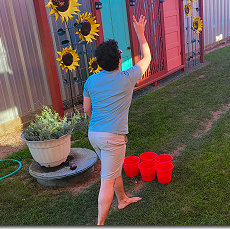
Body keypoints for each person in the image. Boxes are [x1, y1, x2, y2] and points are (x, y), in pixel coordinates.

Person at [83, 15, 151, 225]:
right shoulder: (127, 78)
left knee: (111, 169)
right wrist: (140, 34)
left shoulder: (91, 80)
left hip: (94, 134)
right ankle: (100, 224)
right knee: (106, 180)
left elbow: (87, 110)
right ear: (120, 61)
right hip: (113, 138)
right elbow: (147, 58)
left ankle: (122, 199)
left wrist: (102, 124)